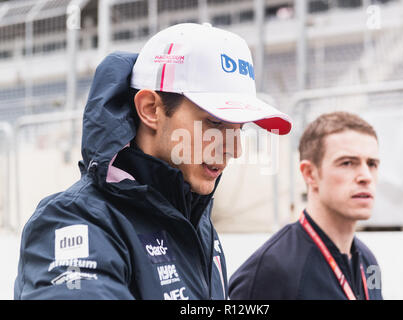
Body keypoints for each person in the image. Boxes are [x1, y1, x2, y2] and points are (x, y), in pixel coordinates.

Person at [14, 23, 291, 300]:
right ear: (150, 109)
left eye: (239, 128)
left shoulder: (196, 220)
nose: (234, 149)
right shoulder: (74, 221)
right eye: (215, 123)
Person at [229, 111, 383, 300]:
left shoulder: (368, 262)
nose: (366, 176)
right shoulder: (272, 270)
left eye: (372, 164)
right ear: (310, 174)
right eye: (348, 163)